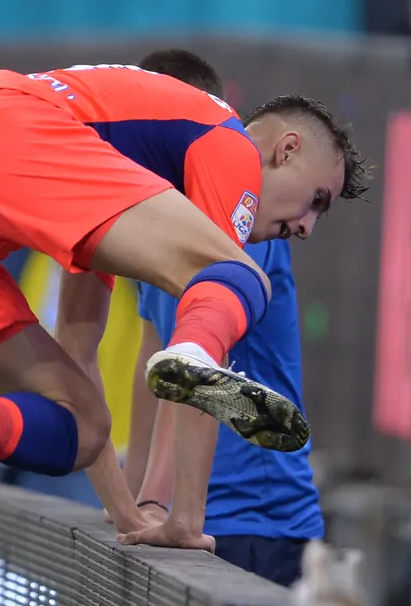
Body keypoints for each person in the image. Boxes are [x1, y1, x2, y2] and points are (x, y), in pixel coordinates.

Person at [0, 63, 368, 558]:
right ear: (286, 149)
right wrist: (186, 522)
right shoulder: (228, 138)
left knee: (83, 423)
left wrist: (130, 517)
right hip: (3, 127)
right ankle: (193, 354)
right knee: (245, 278)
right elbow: (217, 286)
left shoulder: (102, 183)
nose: (307, 228)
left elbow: (79, 351)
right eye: (316, 200)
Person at [118, 50, 329, 579]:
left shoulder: (244, 223)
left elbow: (197, 371)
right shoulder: (153, 222)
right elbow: (152, 361)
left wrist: (154, 502)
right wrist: (130, 499)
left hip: (255, 526)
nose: (305, 228)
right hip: (197, 521)